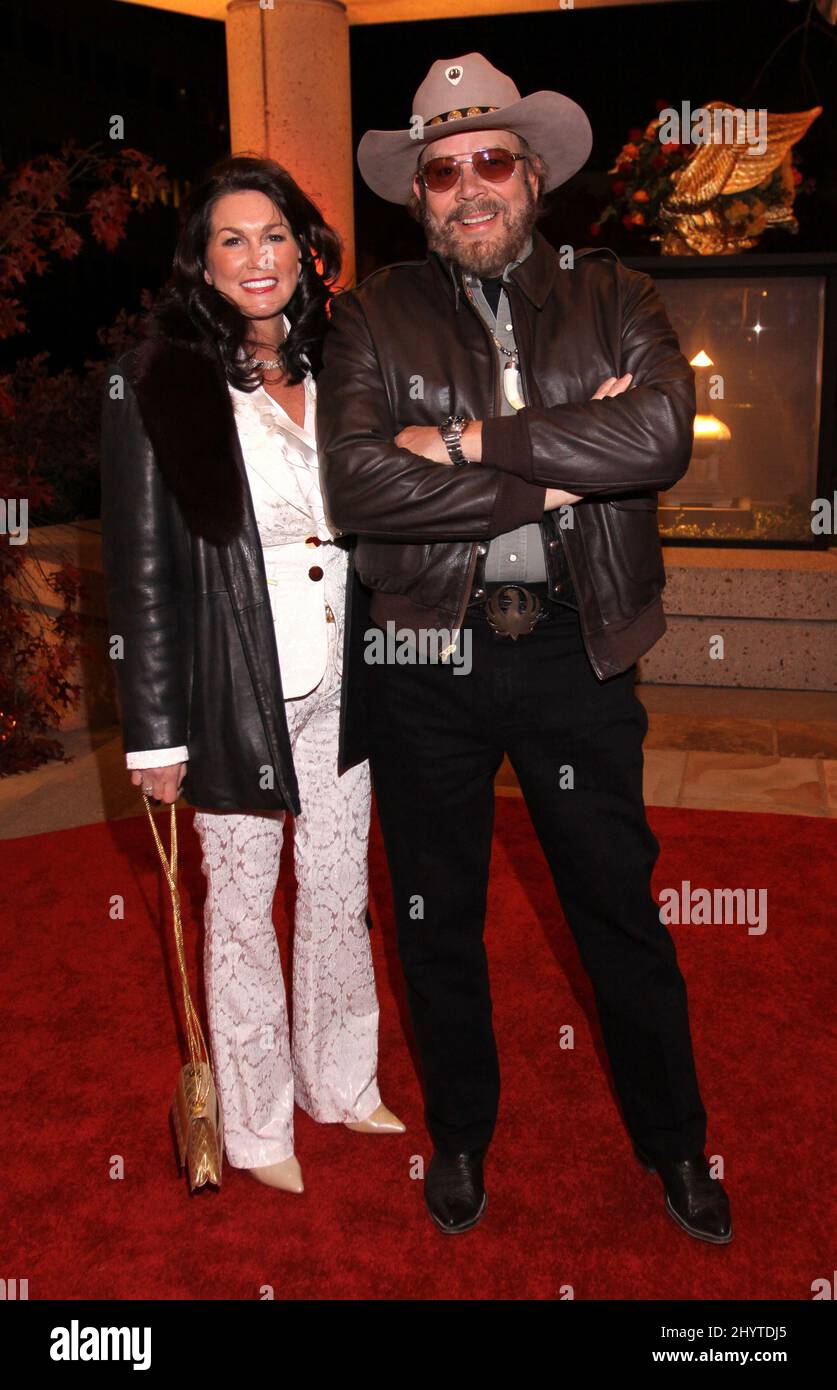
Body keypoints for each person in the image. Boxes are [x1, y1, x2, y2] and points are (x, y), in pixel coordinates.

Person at [316, 54, 732, 1242]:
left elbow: (655, 434)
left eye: (490, 159)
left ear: (532, 171)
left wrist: (459, 443)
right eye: (441, 172)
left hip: (575, 647)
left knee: (619, 913)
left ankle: (677, 1147)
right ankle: (458, 1137)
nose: (468, 186)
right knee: (437, 915)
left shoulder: (616, 293)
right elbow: (356, 481)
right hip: (423, 654)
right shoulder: (373, 313)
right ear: (421, 196)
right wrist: (552, 482)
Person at [100, 154, 403, 1197]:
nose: (256, 256)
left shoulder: (342, 361)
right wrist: (154, 734)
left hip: (347, 671)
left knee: (335, 885)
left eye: (272, 234)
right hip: (233, 678)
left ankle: (342, 1078)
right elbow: (138, 566)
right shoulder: (163, 378)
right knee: (239, 903)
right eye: (231, 239)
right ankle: (260, 1121)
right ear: (203, 262)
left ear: (306, 249)